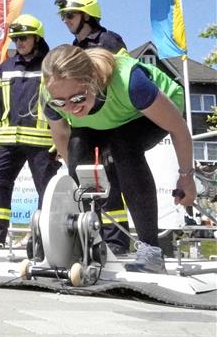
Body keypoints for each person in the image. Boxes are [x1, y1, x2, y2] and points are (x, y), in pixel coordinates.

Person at [41, 45, 194, 273]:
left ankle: (151, 251)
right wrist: (78, 177)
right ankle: (88, 244)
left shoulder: (130, 82)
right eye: (61, 103)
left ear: (93, 80)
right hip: (100, 121)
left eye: (77, 98)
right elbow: (62, 136)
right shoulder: (50, 92)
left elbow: (179, 129)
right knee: (77, 149)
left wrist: (186, 178)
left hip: (144, 114)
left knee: (124, 145)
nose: (70, 109)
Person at [55, 0, 131, 254]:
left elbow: (120, 76)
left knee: (111, 177)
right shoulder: (73, 50)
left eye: (69, 15)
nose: (65, 20)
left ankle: (117, 243)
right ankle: (86, 238)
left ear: (87, 16)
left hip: (111, 120)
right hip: (84, 122)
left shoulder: (109, 40)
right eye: (63, 16)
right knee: (77, 174)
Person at [0, 14, 60, 248]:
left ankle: (45, 241)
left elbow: (64, 104)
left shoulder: (51, 66)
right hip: (8, 141)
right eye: (16, 39)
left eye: (24, 38)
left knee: (48, 191)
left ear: (37, 38)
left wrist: (61, 139)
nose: (19, 42)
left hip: (43, 143)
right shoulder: (5, 67)